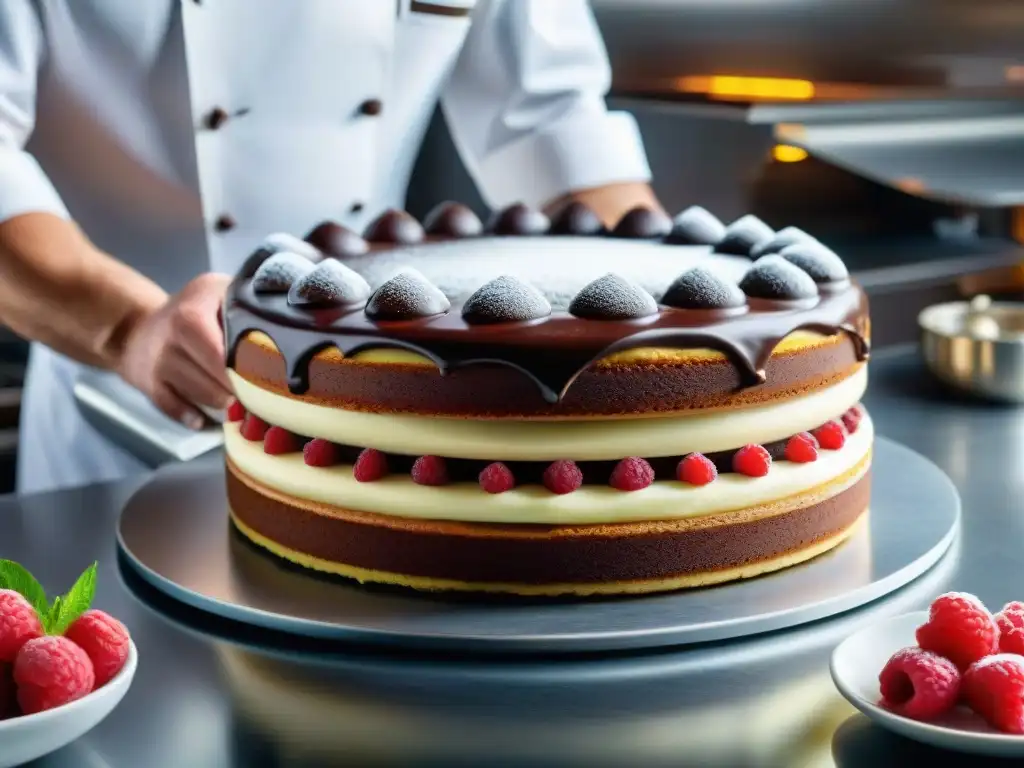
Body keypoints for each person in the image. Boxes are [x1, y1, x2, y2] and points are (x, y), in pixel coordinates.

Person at [0, 0, 662, 494]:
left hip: (367, 426)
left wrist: (670, 306)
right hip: (115, 422)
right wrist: (130, 328)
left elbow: (549, 121)